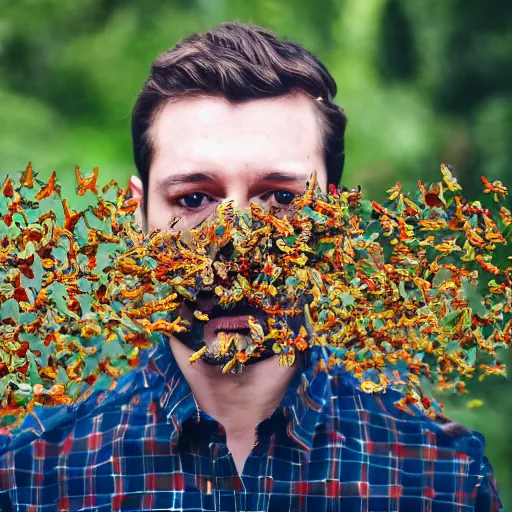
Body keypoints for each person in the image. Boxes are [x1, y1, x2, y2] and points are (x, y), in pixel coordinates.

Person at [0, 21, 502, 512]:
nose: (235, 247)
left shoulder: (441, 475)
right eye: (194, 198)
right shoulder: (31, 474)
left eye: (280, 198)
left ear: (333, 218)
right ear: (139, 216)